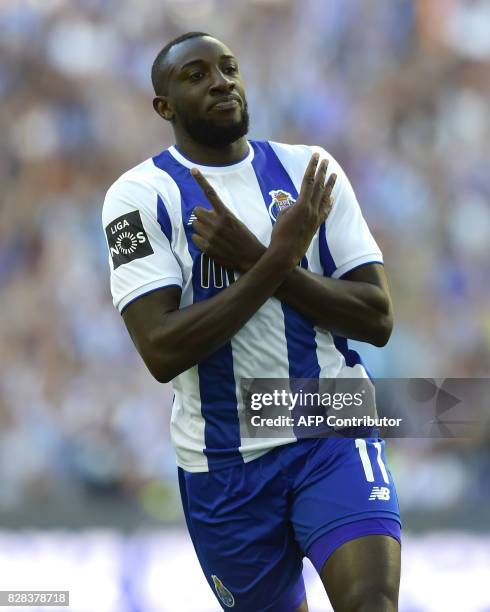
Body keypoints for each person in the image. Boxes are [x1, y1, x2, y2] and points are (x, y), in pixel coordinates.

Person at [102, 31, 401, 612]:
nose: (220, 81)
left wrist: (259, 261)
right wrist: (274, 260)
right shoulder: (136, 199)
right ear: (164, 107)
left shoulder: (310, 172)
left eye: (229, 68)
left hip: (330, 421)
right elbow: (161, 351)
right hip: (222, 459)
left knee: (371, 602)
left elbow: (378, 317)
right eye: (196, 75)